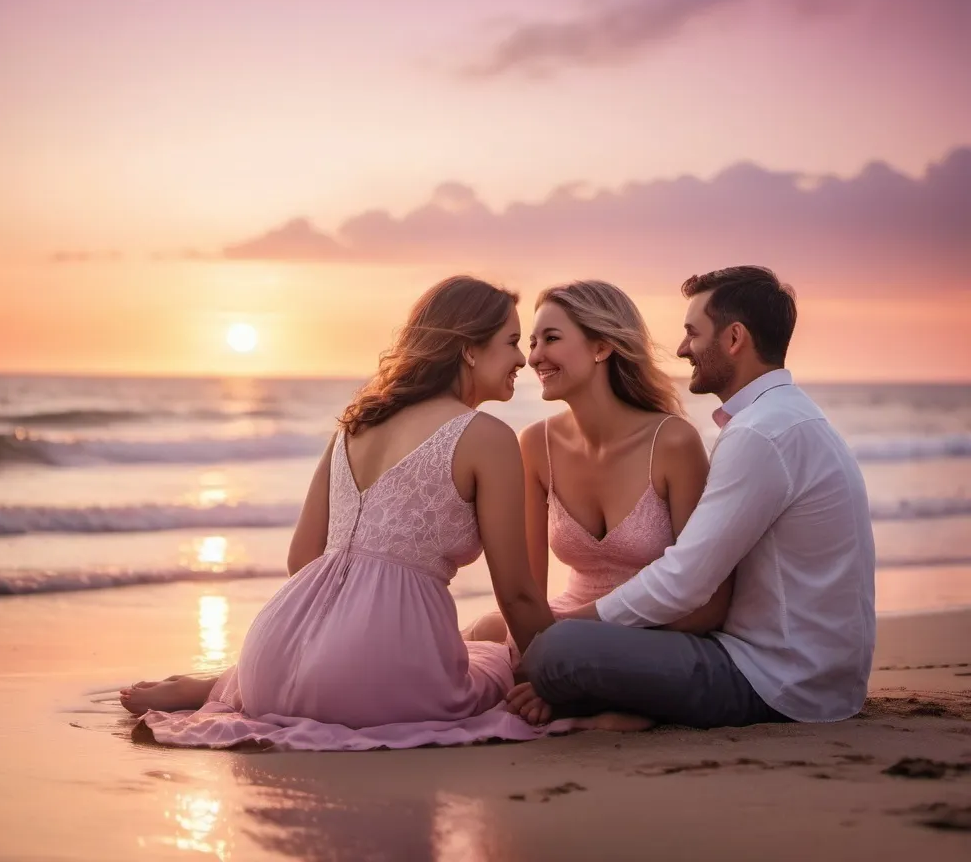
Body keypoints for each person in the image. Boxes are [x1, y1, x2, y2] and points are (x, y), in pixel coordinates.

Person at [121, 275, 567, 750]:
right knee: (494, 659)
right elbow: (518, 595)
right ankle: (248, 679)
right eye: (513, 342)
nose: (523, 358)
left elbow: (302, 558)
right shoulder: (488, 438)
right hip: (383, 678)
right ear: (469, 349)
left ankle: (224, 682)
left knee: (427, 653)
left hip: (269, 660)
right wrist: (557, 681)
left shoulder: (356, 423)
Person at [509, 266, 875, 729]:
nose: (681, 349)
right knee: (536, 645)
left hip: (775, 680)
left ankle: (607, 709)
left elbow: (686, 582)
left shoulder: (760, 434)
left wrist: (563, 628)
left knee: (558, 651)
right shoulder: (788, 418)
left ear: (734, 338)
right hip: (815, 676)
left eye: (692, 333)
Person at [465, 281, 729, 729]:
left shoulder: (672, 442)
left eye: (551, 339)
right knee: (485, 633)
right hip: (564, 630)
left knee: (546, 664)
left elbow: (706, 606)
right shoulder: (535, 444)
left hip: (654, 636)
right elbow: (524, 593)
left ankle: (595, 701)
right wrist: (542, 660)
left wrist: (579, 653)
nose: (533, 357)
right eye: (530, 342)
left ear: (602, 346)